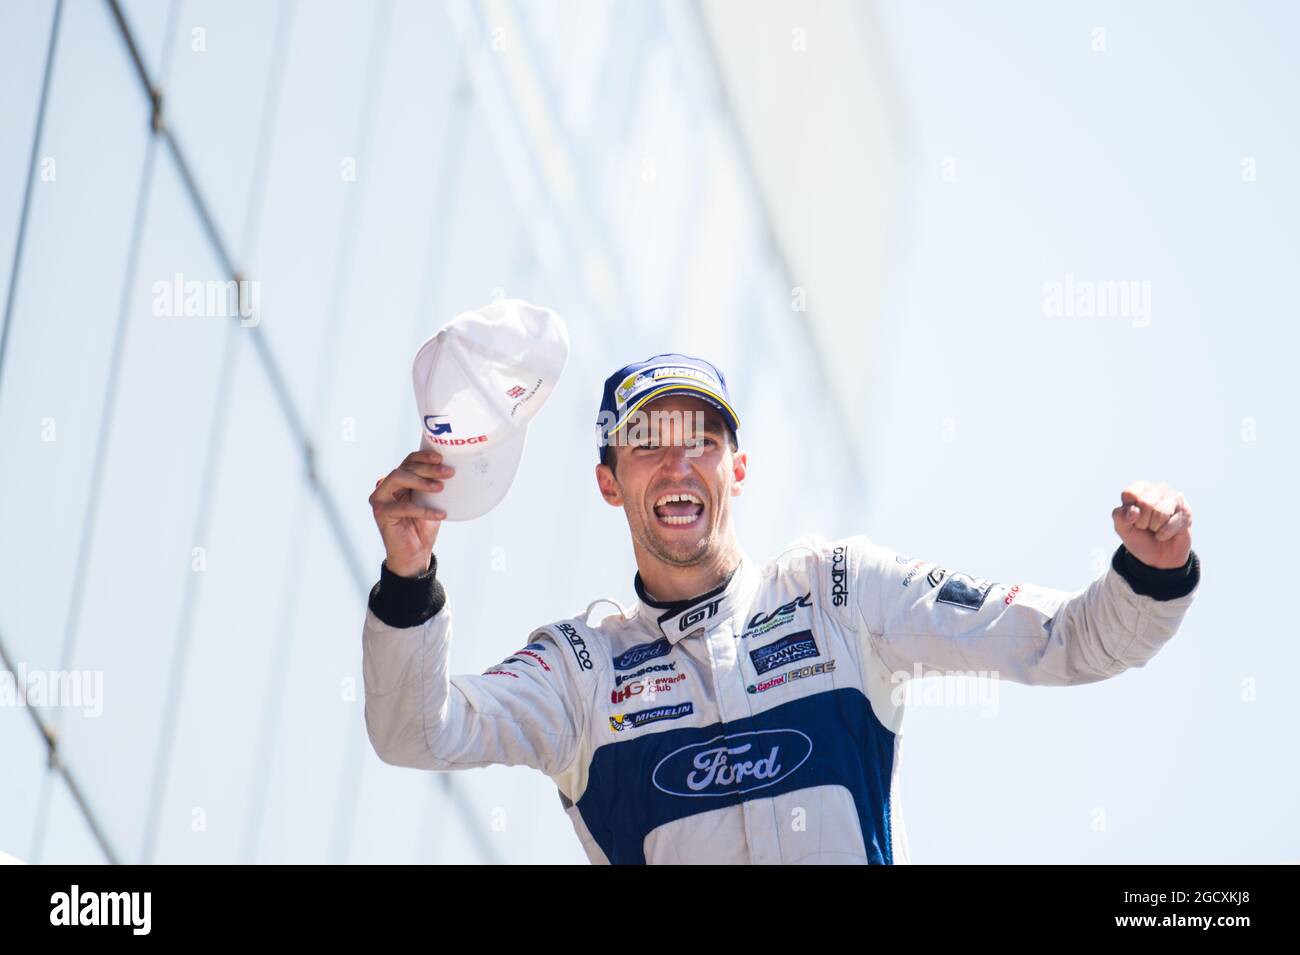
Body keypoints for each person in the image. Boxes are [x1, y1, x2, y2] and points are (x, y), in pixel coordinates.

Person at [361, 354, 1200, 864]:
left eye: (703, 441)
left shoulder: (839, 593)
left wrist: (1150, 574)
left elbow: (1065, 641)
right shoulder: (581, 672)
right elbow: (417, 731)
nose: (678, 464)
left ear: (739, 467)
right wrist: (408, 575)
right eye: (647, 443)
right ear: (609, 481)